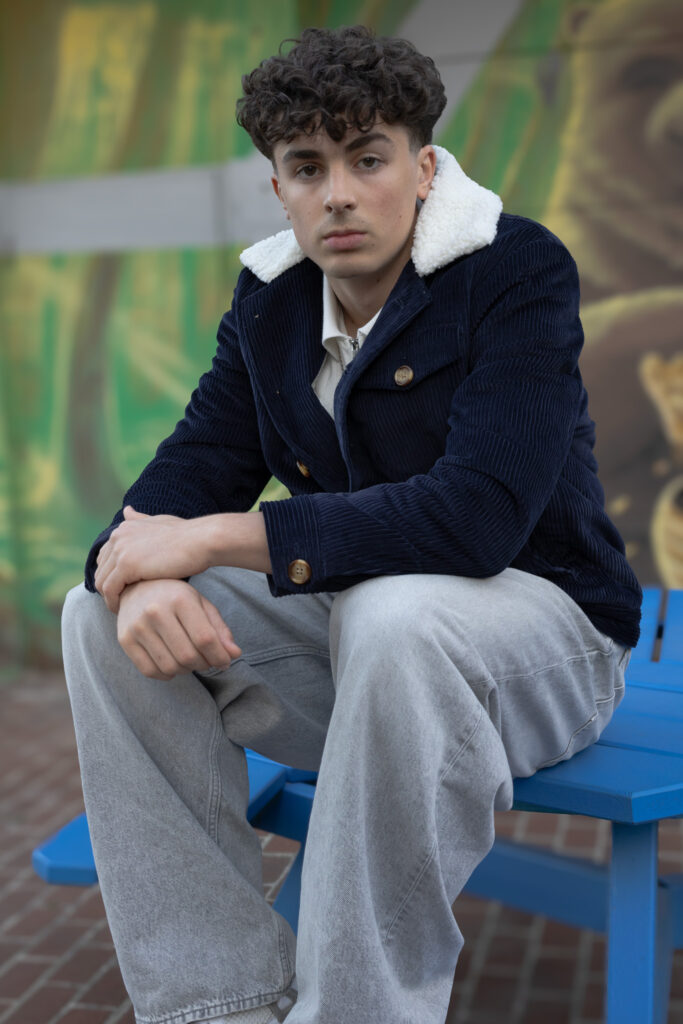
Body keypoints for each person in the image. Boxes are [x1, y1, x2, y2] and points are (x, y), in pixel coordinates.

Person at [61, 24, 642, 1024]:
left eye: (365, 159)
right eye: (306, 167)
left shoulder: (512, 270)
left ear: (420, 170)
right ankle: (217, 1000)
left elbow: (477, 520)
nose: (337, 193)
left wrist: (211, 539)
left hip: (545, 650)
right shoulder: (269, 305)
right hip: (362, 654)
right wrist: (145, 568)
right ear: (276, 187)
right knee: (95, 612)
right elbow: (183, 477)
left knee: (396, 612)